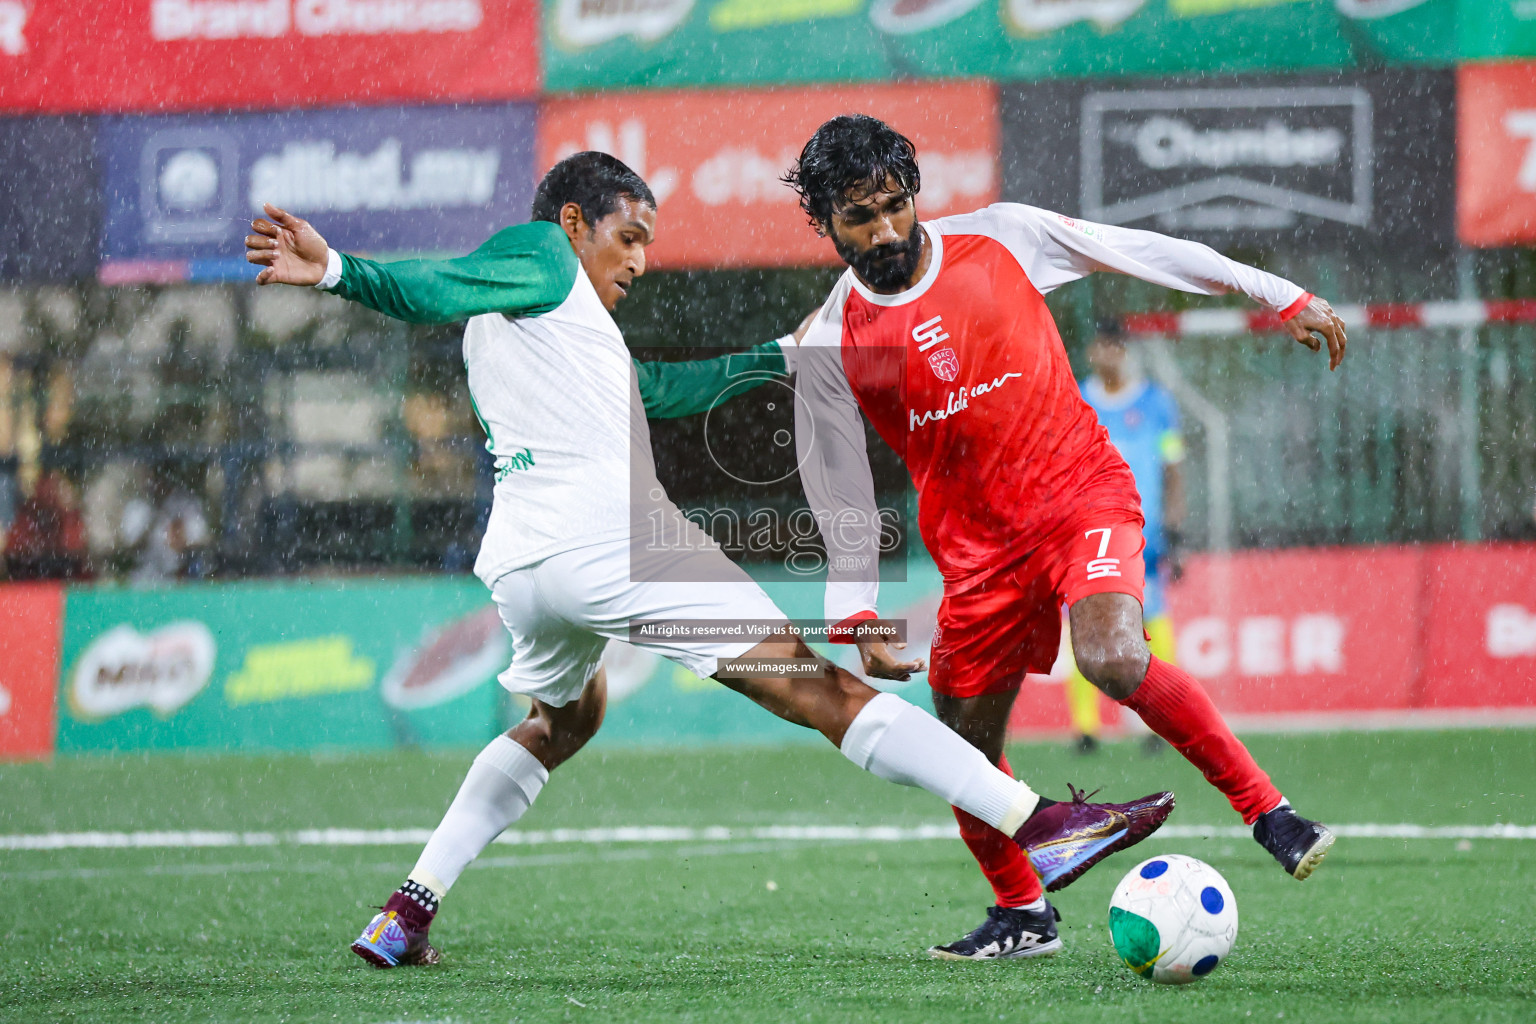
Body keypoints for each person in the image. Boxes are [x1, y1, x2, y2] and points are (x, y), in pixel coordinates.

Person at [245, 151, 1172, 968]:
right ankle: (1038, 825)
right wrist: (336, 271)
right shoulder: (535, 252)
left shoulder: (532, 323)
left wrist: (777, 355)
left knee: (564, 721)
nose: (641, 261)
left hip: (524, 568)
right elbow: (430, 283)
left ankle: (409, 907)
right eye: (629, 236)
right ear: (573, 223)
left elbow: (650, 390)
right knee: (820, 690)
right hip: (611, 546)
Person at [784, 115, 1344, 961]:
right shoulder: (826, 342)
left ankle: (1272, 814)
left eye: (897, 204)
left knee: (1114, 656)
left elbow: (1145, 250)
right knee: (959, 752)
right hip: (974, 556)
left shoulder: (1003, 237)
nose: (888, 230)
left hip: (1080, 494)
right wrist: (854, 608)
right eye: (861, 217)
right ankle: (1024, 913)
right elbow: (838, 483)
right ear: (825, 223)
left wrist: (1274, 291)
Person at [1065, 321, 1185, 755]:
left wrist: (1176, 526)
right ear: (1093, 351)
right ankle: (1086, 728)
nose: (1108, 355)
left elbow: (1173, 466)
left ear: (1126, 351)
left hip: (1143, 534)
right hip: (1088, 532)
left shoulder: (1157, 403)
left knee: (1152, 619)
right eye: (1101, 346)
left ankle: (1158, 721)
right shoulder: (1076, 398)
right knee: (1083, 622)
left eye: (1116, 347)